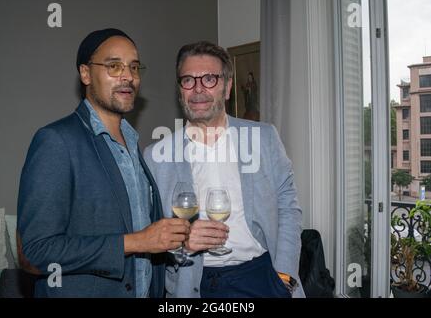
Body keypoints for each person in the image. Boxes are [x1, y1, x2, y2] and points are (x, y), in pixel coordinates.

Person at [17, 28, 190, 298]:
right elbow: (33, 254)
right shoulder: (56, 141)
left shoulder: (134, 145)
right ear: (85, 74)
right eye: (114, 66)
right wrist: (136, 242)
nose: (128, 76)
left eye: (134, 67)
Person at [144, 41, 305, 298]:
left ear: (227, 87)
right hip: (191, 282)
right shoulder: (155, 156)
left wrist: (284, 277)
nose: (198, 89)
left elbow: (288, 208)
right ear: (180, 90)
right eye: (188, 80)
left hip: (260, 277)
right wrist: (181, 245)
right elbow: (150, 233)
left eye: (209, 79)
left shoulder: (264, 138)